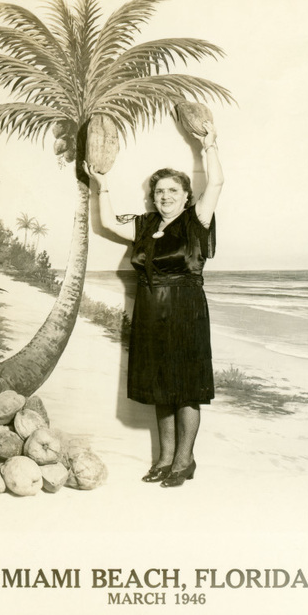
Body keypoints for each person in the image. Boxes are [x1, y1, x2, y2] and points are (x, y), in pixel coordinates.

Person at [85, 121, 224, 487]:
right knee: (160, 387)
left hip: (186, 312)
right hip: (149, 312)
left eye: (172, 191)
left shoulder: (197, 220)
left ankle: (184, 460)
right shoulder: (145, 225)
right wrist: (103, 185)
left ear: (185, 195)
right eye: (159, 191)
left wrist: (209, 146)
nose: (164, 196)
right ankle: (164, 459)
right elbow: (108, 222)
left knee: (186, 388)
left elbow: (218, 183)